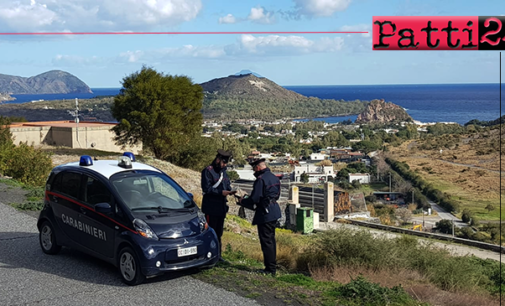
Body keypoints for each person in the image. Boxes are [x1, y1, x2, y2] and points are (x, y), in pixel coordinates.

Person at [239, 158, 281, 275]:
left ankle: (270, 269)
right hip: (274, 211)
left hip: (265, 212)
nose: (253, 171)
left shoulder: (260, 180)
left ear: (258, 167)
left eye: (254, 168)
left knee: (266, 242)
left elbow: (255, 198)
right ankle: (272, 267)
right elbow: (277, 195)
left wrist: (243, 201)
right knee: (271, 241)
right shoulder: (274, 177)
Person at [201, 149, 236, 261]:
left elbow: (227, 185)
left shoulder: (223, 172)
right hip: (211, 207)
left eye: (226, 163)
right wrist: (221, 193)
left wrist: (231, 192)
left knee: (219, 232)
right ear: (218, 159)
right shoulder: (208, 171)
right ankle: (208, 255)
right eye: (223, 162)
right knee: (210, 232)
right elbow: (206, 188)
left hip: (221, 207)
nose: (224, 165)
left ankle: (217, 255)